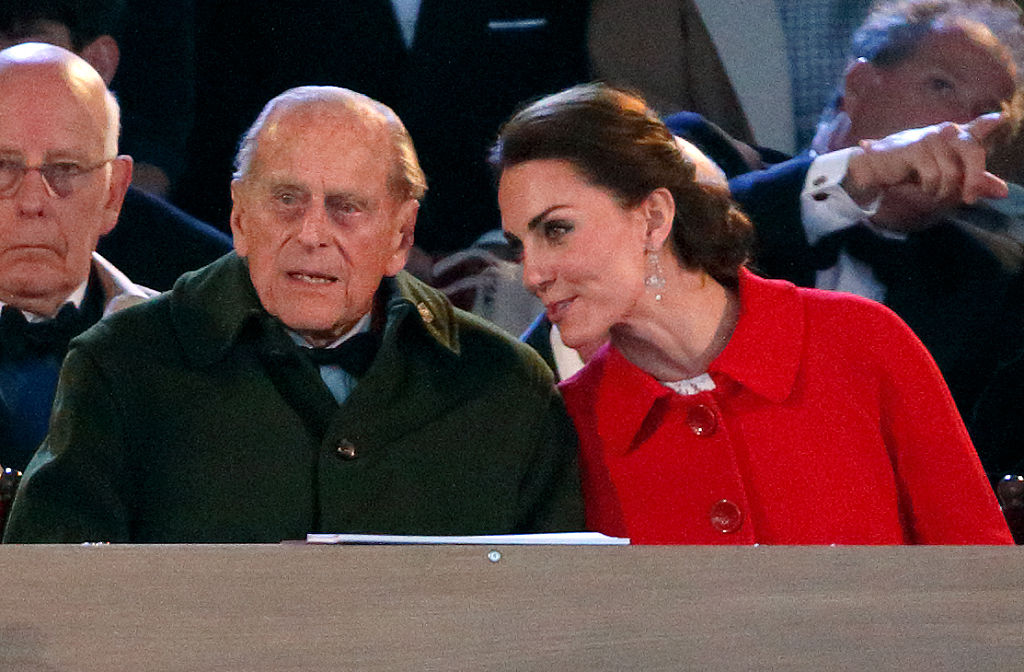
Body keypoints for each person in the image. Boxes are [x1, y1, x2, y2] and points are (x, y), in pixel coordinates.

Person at [3, 85, 582, 543]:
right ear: (238, 217)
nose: (311, 235)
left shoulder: (506, 386)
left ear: (402, 234)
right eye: (286, 200)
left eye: (346, 208)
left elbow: (557, 627)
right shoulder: (120, 366)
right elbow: (52, 611)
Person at [491, 82, 1011, 545]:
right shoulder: (567, 426)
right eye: (519, 244)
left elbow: (981, 589)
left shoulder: (859, 341)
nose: (533, 273)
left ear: (653, 218)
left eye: (556, 229)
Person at [729, 0, 1024, 418]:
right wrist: (859, 173)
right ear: (860, 86)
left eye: (986, 116)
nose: (961, 128)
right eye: (942, 86)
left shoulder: (993, 281)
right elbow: (691, 236)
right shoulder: (714, 163)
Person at [0, 0, 231, 290]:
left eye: (23, 50)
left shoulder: (201, 281)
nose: (31, 201)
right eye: (4, 166)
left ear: (98, 62)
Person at [0, 43, 155, 473]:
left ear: (114, 192)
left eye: (64, 169)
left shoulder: (183, 349)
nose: (32, 201)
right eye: (2, 166)